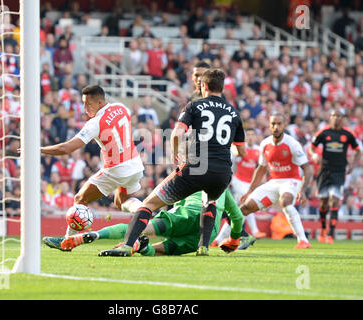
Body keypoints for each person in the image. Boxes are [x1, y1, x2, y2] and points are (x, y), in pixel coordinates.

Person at [99, 68, 246, 257]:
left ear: (204, 86)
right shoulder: (234, 114)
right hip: (222, 173)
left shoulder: (195, 106)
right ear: (222, 87)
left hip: (197, 166)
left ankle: (127, 245)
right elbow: (241, 151)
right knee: (209, 202)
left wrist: (176, 155)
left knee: (149, 204)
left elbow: (177, 133)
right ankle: (203, 247)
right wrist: (224, 148)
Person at [39, 85, 145, 237]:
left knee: (80, 198)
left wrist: (39, 149)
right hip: (135, 165)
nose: (84, 108)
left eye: (88, 104)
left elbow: (66, 148)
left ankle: (68, 240)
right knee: (120, 203)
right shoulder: (121, 107)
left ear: (100, 102)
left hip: (116, 169)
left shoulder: (95, 123)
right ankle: (145, 211)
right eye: (83, 103)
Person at [44, 189, 244, 256]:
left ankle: (92, 235)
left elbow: (170, 201)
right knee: (158, 251)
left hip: (187, 214)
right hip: (205, 236)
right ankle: (139, 247)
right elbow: (238, 217)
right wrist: (234, 240)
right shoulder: (223, 189)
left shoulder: (189, 179)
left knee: (141, 227)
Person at [238, 113, 312, 249]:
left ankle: (303, 241)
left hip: (291, 181)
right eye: (273, 124)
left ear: (284, 125)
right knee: (244, 208)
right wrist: (249, 191)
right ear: (269, 125)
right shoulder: (265, 144)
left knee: (286, 202)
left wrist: (303, 189)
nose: (276, 127)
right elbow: (260, 169)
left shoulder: (292, 144)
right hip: (273, 183)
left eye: (279, 124)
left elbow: (307, 168)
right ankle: (231, 239)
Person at [308, 109, 361, 244]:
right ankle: (323, 228)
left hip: (339, 172)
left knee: (334, 200)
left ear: (342, 118)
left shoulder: (348, 134)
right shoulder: (324, 132)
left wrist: (353, 164)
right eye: (333, 116)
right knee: (323, 203)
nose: (336, 118)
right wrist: (314, 155)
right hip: (324, 171)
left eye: (338, 116)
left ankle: (331, 233)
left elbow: (357, 150)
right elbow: (311, 147)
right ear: (330, 118)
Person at [211, 128, 265, 248]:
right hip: (238, 180)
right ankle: (255, 230)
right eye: (248, 135)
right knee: (244, 205)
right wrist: (229, 181)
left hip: (249, 183)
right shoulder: (239, 149)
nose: (250, 137)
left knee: (236, 212)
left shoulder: (258, 150)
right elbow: (231, 165)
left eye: (252, 135)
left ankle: (219, 238)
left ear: (256, 137)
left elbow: (260, 168)